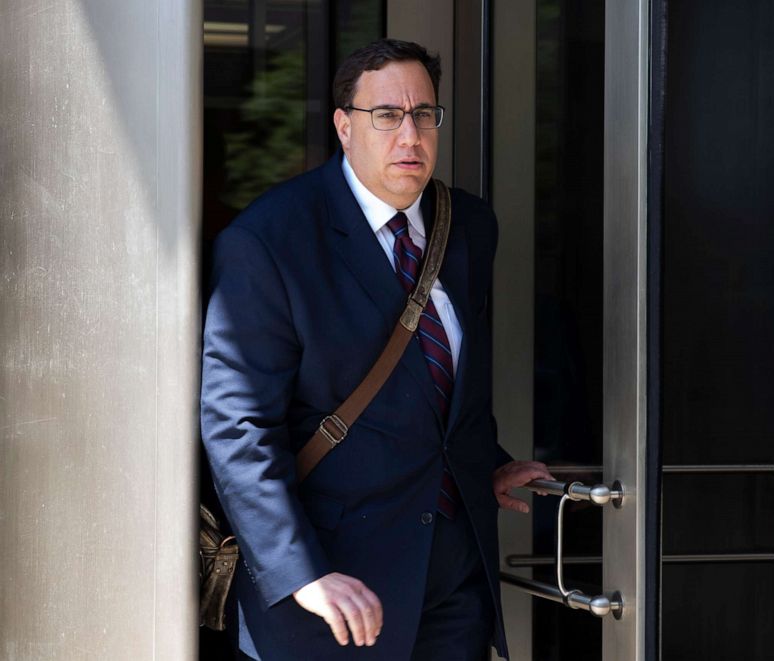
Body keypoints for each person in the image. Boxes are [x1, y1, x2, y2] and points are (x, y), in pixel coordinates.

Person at [200, 38, 553, 661]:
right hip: (333, 588)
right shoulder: (270, 240)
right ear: (343, 126)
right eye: (386, 115)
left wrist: (486, 461)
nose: (410, 135)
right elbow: (237, 425)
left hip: (454, 580)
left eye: (424, 115)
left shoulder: (467, 225)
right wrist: (298, 572)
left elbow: (433, 378)